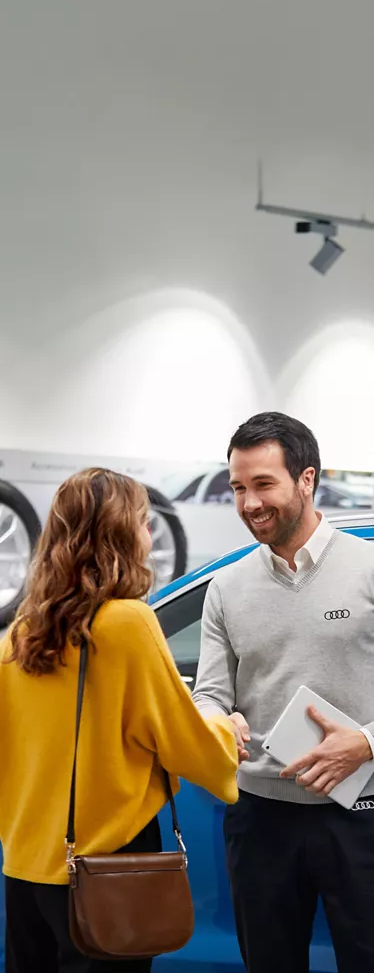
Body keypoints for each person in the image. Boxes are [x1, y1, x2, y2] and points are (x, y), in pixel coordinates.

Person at [0, 468, 238, 973]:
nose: (149, 536)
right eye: (144, 522)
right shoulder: (127, 623)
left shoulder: (20, 634)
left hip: (24, 869)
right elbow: (184, 742)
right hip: (104, 869)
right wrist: (227, 731)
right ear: (118, 533)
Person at [193, 411, 374, 973]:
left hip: (362, 812)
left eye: (263, 484)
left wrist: (366, 742)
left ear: (307, 480)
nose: (249, 504)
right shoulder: (226, 587)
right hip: (260, 818)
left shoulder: (368, 569)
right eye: (239, 488)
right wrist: (219, 721)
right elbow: (208, 695)